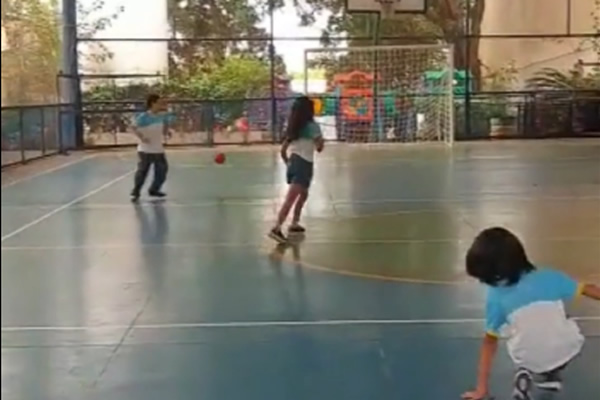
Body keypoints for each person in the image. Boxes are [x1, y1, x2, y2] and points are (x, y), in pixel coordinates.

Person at [462, 227, 600, 400]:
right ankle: (551, 374)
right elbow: (589, 289)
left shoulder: (496, 297)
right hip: (566, 350)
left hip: (528, 356)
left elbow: (489, 343)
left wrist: (481, 389)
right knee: (562, 322)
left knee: (518, 334)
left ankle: (526, 370)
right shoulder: (550, 276)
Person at [269, 96, 324, 243]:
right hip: (304, 164)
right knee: (290, 199)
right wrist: (320, 140)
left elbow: (283, 150)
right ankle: (276, 228)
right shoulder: (313, 127)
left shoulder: (293, 127)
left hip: (294, 162)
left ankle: (294, 223)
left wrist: (289, 164)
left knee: (303, 194)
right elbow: (319, 148)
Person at [131, 94, 175, 202]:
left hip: (158, 148)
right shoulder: (144, 117)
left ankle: (154, 189)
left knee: (162, 170)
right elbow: (134, 127)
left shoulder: (161, 116)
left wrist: (166, 132)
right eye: (159, 102)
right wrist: (142, 138)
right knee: (142, 171)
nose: (161, 104)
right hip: (145, 149)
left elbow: (164, 126)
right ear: (152, 103)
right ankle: (136, 191)